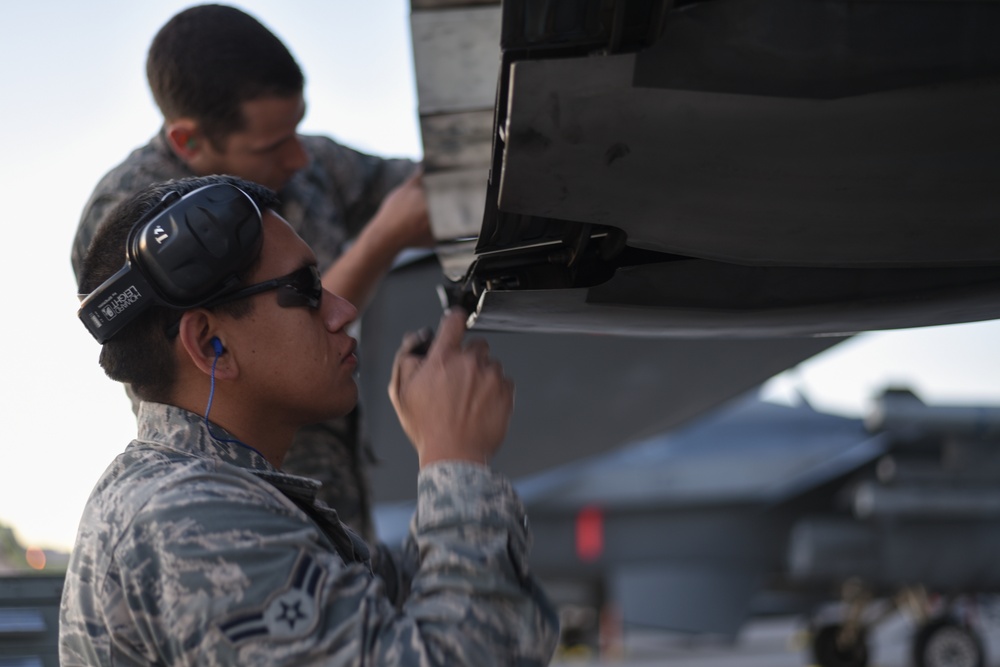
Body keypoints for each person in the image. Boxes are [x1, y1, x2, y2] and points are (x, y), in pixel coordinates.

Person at [61, 175, 558, 665]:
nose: (343, 311)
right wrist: (456, 459)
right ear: (212, 344)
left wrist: (452, 456)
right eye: (306, 288)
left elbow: (419, 609)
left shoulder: (222, 496)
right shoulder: (184, 519)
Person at [70, 4, 430, 542]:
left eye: (297, 129)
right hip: (239, 498)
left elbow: (427, 195)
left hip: (337, 491)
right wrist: (383, 240)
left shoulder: (308, 164)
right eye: (272, 145)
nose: (299, 159)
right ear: (189, 141)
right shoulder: (138, 227)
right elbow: (265, 347)